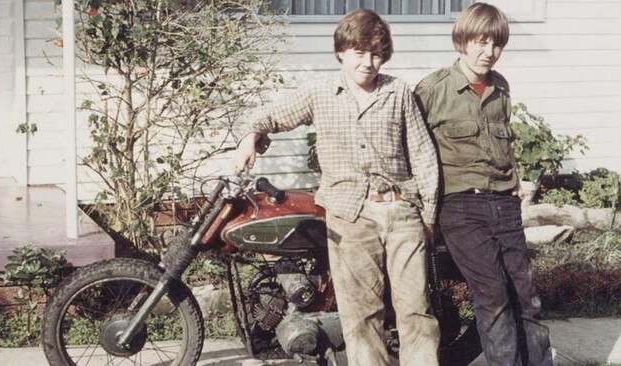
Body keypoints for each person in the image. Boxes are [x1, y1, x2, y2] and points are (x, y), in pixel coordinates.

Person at [233, 8, 440, 366]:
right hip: (350, 215)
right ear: (341, 52)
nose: (368, 63)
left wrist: (428, 214)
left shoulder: (399, 93)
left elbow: (423, 154)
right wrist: (250, 137)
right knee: (361, 314)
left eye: (376, 54)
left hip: (401, 210)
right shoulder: (320, 93)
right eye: (360, 53)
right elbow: (272, 115)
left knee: (416, 310)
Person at [414, 3, 553, 365]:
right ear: (462, 40)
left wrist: (517, 181)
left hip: (504, 204)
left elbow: (505, 147)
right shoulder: (432, 90)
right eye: (480, 42)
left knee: (527, 297)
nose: (488, 52)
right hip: (460, 207)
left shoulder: (501, 88)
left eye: (496, 45)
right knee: (493, 297)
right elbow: (413, 150)